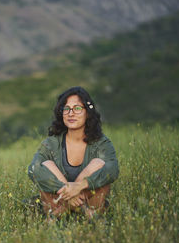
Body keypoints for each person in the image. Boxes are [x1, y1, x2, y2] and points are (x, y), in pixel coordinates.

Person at [28, 86, 119, 219]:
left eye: (77, 108)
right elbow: (33, 169)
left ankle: (86, 215)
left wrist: (80, 186)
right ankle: (65, 213)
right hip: (57, 205)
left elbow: (113, 169)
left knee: (98, 163)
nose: (71, 113)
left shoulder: (101, 143)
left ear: (87, 112)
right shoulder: (51, 143)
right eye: (66, 109)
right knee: (46, 164)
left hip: (91, 203)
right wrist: (68, 191)